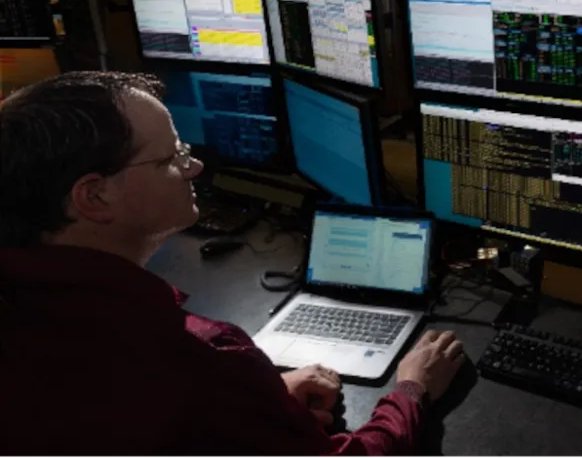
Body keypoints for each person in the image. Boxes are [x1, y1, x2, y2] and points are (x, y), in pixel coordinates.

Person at [0, 72, 465, 457]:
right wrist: (411, 389)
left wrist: (256, 399)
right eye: (172, 157)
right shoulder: (198, 356)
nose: (194, 167)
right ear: (96, 195)